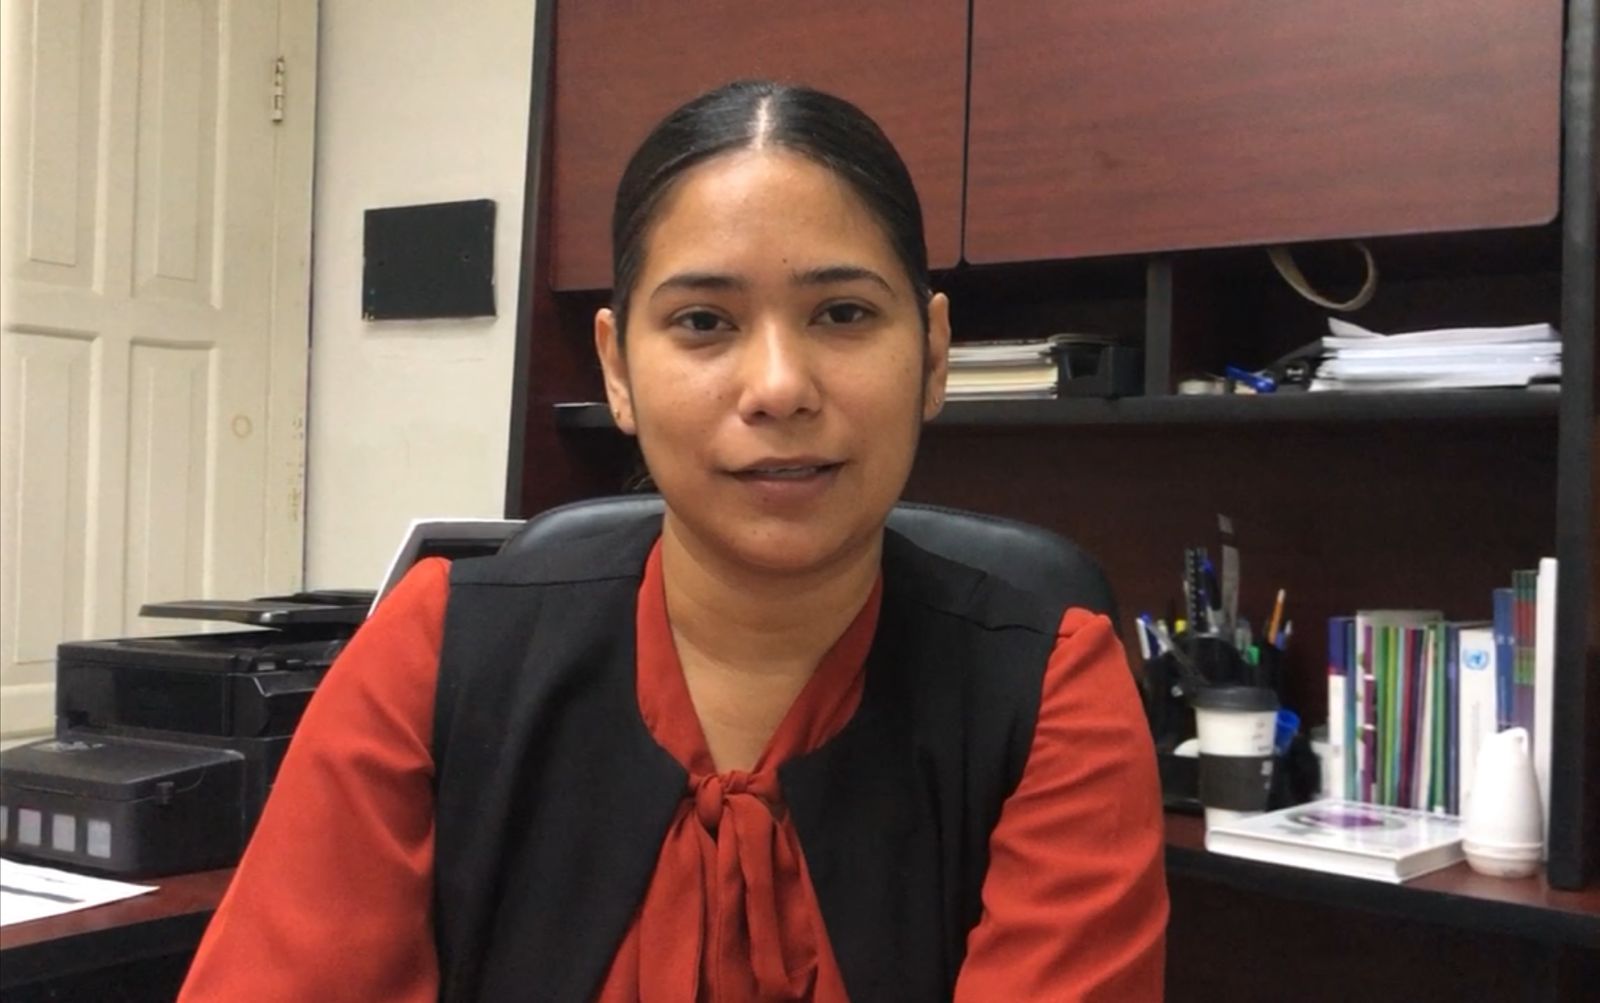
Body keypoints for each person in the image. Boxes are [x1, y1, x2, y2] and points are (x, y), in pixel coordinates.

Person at [178, 80, 1167, 1002]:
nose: (778, 386)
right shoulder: (432, 657)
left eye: (843, 313)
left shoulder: (1050, 693)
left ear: (935, 354)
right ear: (617, 370)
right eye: (703, 320)